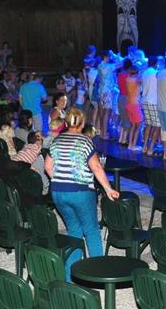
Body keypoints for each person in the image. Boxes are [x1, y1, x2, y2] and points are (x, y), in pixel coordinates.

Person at [45, 108, 119, 281]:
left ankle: (70, 275)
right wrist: (108, 189)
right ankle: (96, 272)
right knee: (91, 230)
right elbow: (96, 167)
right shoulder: (85, 141)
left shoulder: (56, 141)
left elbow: (48, 167)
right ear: (82, 123)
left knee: (74, 230)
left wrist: (60, 179)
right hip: (81, 192)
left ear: (66, 122)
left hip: (58, 192)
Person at [140, 56, 161, 155]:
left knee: (148, 124)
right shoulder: (156, 73)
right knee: (157, 126)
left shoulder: (144, 73)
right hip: (153, 101)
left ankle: (144, 146)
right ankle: (151, 148)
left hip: (144, 101)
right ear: (156, 63)